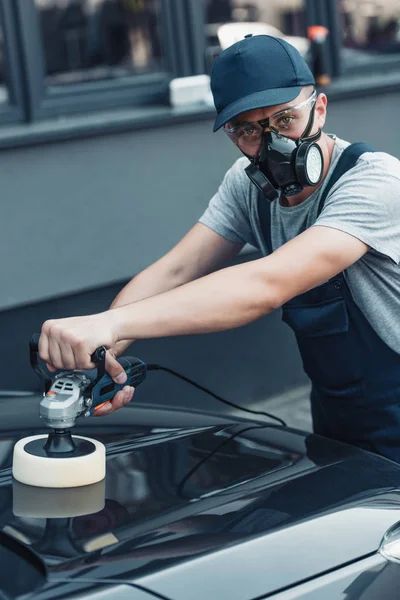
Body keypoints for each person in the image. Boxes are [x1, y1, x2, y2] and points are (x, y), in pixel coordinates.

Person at [38, 35, 400, 461]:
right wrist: (97, 356)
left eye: (284, 120)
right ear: (232, 136)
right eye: (248, 131)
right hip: (339, 416)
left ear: (319, 109)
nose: (271, 145)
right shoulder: (247, 187)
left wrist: (113, 326)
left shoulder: (375, 182)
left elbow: (265, 284)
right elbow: (175, 272)